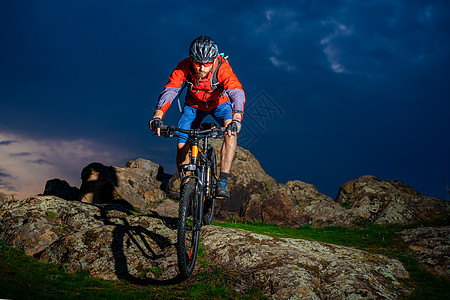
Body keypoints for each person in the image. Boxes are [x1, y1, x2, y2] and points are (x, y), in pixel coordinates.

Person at [149, 35, 246, 198]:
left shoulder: (222, 68)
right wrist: (158, 116)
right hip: (193, 106)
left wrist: (236, 119)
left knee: (231, 132)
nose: (201, 68)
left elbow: (236, 92)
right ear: (191, 59)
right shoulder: (184, 66)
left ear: (213, 60)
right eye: (197, 63)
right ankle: (186, 188)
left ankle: (223, 178)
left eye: (206, 64)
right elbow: (171, 90)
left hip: (219, 105)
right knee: (181, 144)